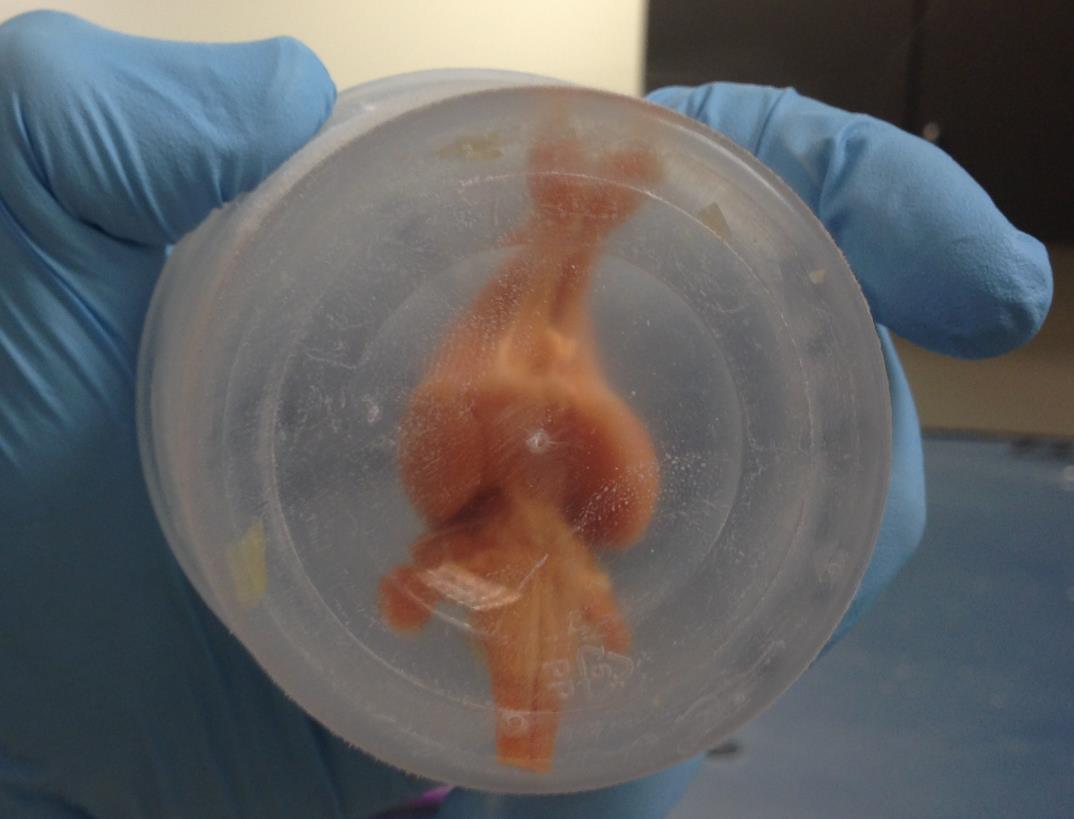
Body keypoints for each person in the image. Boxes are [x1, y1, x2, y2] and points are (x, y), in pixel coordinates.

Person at [0, 11, 1052, 819]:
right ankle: (566, 234)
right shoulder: (485, 474)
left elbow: (490, 584)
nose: (541, 385)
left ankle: (566, 235)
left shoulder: (526, 489)